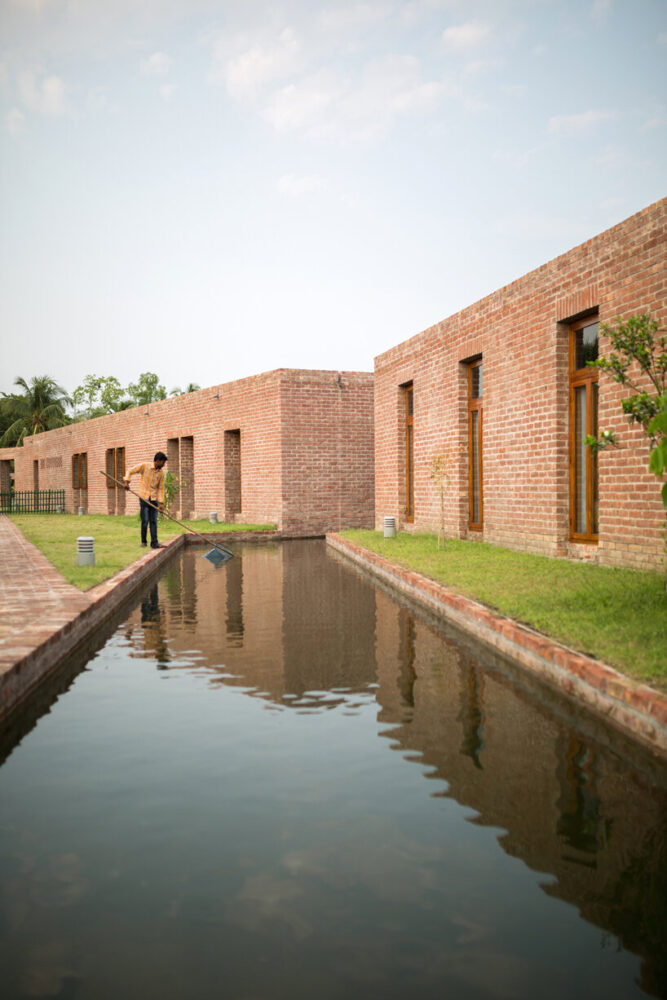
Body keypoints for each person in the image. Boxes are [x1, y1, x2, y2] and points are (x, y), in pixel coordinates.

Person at [124, 452, 167, 549]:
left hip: (153, 499)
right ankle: (143, 542)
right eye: (163, 463)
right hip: (144, 497)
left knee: (153, 521)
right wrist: (127, 482)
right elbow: (130, 471)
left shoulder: (161, 474)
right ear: (158, 461)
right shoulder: (145, 466)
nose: (164, 465)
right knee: (145, 520)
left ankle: (154, 543)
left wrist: (161, 503)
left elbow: (160, 489)